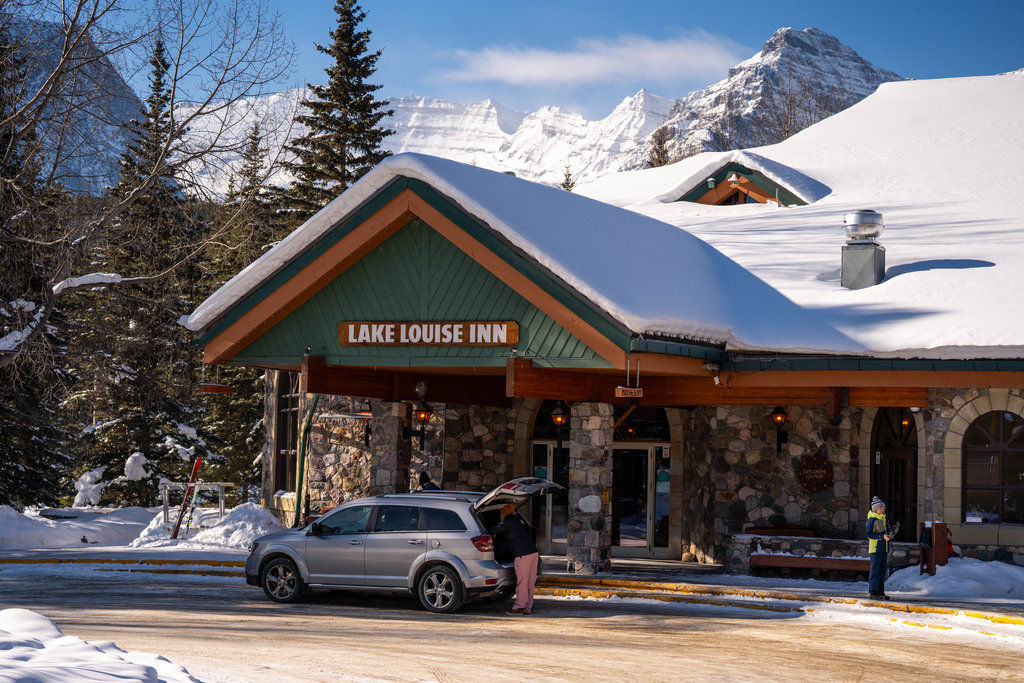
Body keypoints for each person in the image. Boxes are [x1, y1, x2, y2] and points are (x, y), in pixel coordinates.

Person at [493, 503, 539, 615]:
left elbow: (492, 530)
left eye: (501, 514)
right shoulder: (517, 521)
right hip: (533, 553)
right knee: (529, 582)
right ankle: (527, 608)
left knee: (522, 582)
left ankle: (518, 607)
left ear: (504, 514)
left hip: (522, 555)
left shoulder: (506, 523)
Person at [866, 496, 892, 600]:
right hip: (875, 549)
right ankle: (873, 592)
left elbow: (886, 532)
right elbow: (869, 534)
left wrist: (889, 535)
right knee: (875, 571)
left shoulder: (884, 519)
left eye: (883, 508)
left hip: (884, 548)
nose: (883, 509)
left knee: (882, 571)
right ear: (876, 509)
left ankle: (881, 592)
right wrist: (882, 536)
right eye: (881, 508)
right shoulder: (872, 519)